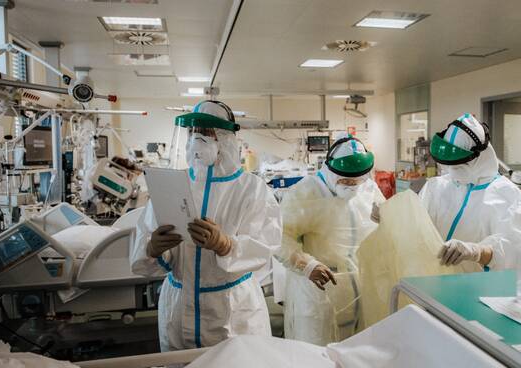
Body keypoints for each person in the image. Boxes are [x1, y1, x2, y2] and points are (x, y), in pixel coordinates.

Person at [130, 100, 282, 351]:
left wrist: (227, 245)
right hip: (178, 307)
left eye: (207, 133)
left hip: (232, 310)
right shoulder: (171, 185)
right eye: (193, 132)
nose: (197, 139)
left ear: (226, 139)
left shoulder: (251, 189)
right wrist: (153, 248)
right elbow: (143, 248)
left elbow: (266, 246)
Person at [279, 135, 385, 345]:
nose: (352, 186)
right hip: (318, 290)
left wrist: (385, 216)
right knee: (317, 353)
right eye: (345, 181)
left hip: (359, 288)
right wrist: (305, 264)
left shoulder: (367, 189)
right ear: (330, 170)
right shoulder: (305, 193)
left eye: (357, 181)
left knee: (358, 351)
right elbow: (280, 237)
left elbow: (385, 224)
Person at [421, 113, 521, 271]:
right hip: (434, 283)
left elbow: (517, 249)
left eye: (458, 166)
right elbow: (417, 223)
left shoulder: (506, 194)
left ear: (480, 157)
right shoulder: (437, 187)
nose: (452, 171)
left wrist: (476, 251)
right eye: (449, 165)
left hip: (479, 289)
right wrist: (391, 216)